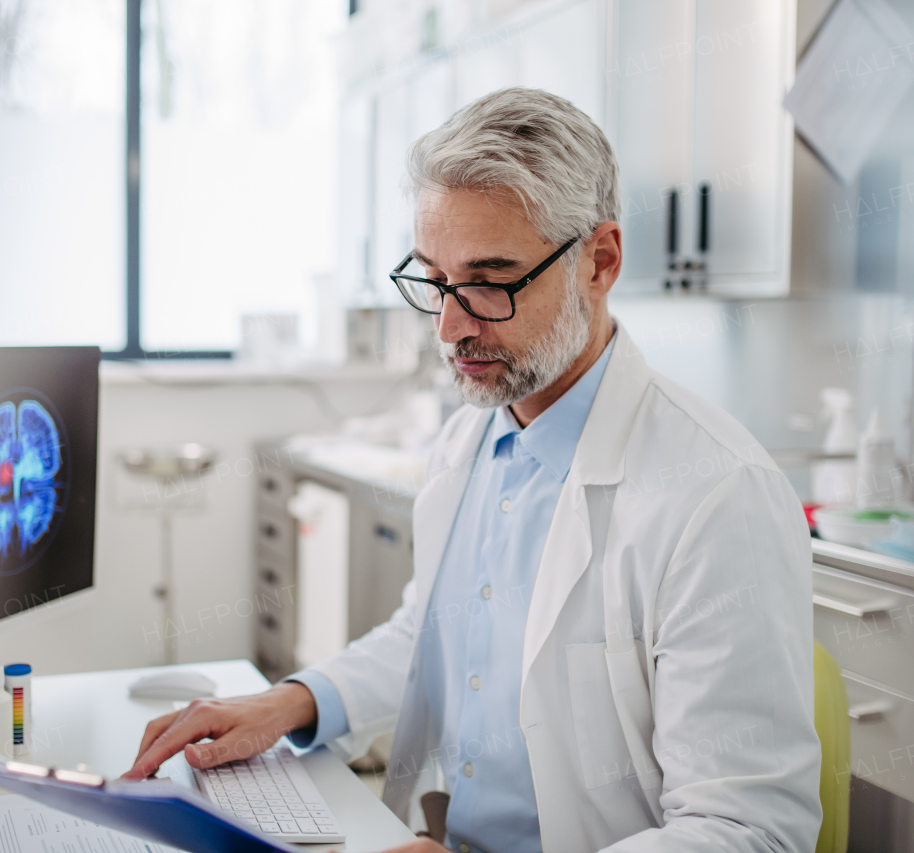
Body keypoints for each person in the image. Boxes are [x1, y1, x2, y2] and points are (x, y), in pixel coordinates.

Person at [124, 87, 821, 853]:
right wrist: (291, 701)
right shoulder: (472, 443)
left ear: (601, 260)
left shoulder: (716, 495)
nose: (451, 326)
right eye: (435, 278)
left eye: (491, 281)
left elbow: (749, 830)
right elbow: (434, 632)